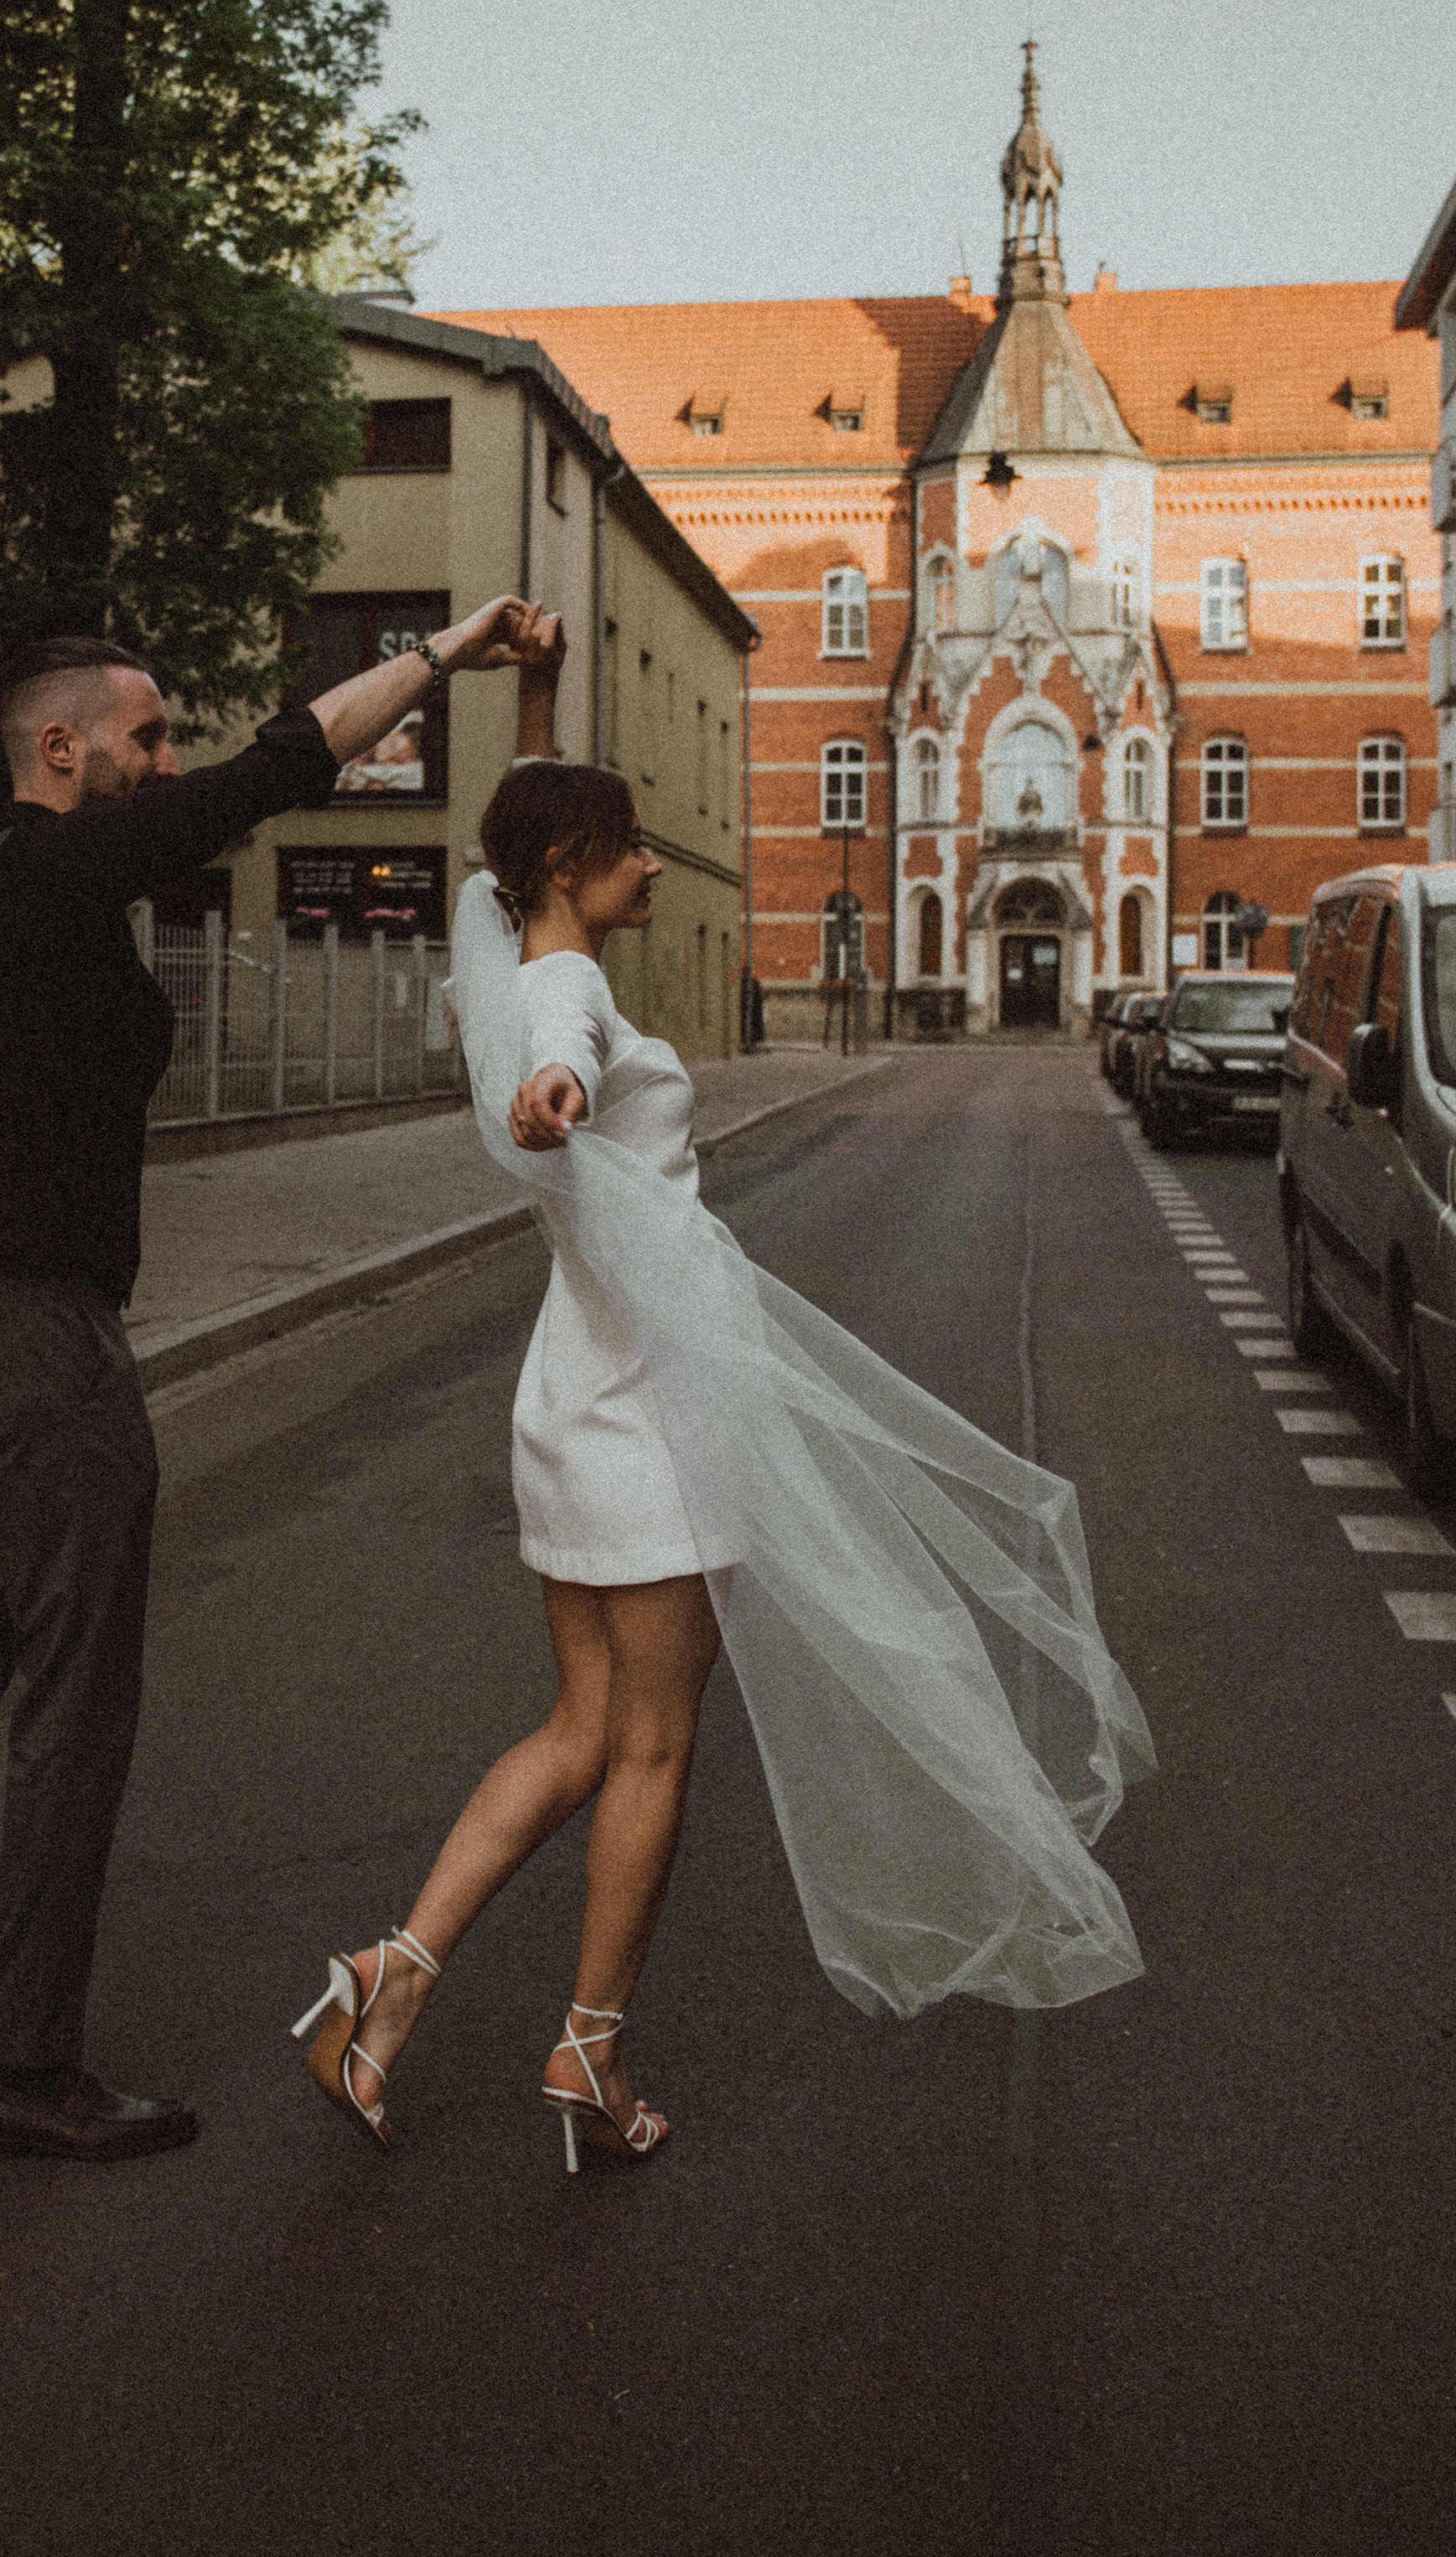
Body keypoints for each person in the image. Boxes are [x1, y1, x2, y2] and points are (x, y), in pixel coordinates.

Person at [293, 620, 1153, 2174]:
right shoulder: (552, 1001)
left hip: (573, 1391)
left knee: (578, 1727)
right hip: (650, 1415)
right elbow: (554, 1051)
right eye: (629, 851)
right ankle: (589, 2060)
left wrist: (534, 691)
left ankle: (385, 1978)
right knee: (656, 1747)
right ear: (572, 864)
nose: (656, 870)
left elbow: (518, 872)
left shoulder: (494, 941)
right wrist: (552, 1095)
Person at [0, 596, 533, 2162]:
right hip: (39, 1343)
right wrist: (445, 657)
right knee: (78, 1700)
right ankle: (24, 2066)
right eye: (144, 738)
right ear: (61, 751)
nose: (164, 761)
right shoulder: (56, 865)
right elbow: (276, 767)